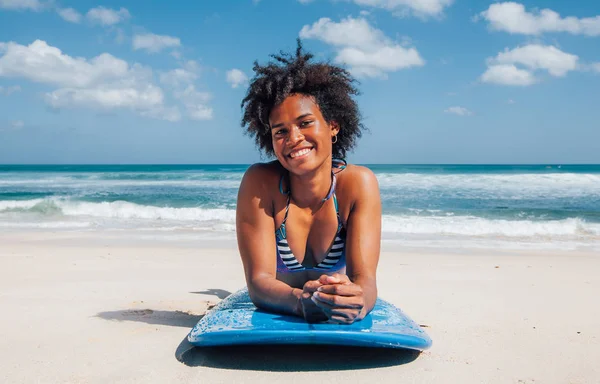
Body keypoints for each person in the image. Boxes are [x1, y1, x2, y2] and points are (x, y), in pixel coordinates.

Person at [236, 40, 381, 324]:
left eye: (305, 123)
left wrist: (358, 301)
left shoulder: (357, 185)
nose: (293, 138)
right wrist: (299, 301)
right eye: (280, 131)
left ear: (333, 125)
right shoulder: (261, 183)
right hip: (284, 300)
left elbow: (366, 280)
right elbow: (259, 282)